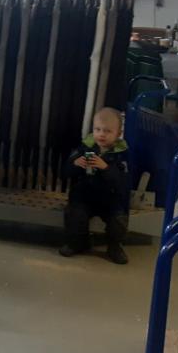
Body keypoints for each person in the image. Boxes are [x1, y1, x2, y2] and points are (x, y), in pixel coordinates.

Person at [59, 107, 130, 264]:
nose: (101, 134)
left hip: (111, 199)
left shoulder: (122, 154)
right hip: (85, 195)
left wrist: (105, 168)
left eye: (107, 131)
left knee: (118, 220)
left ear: (118, 134)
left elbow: (123, 183)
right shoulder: (85, 147)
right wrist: (75, 164)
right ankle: (77, 242)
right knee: (75, 214)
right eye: (97, 129)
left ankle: (114, 246)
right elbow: (65, 172)